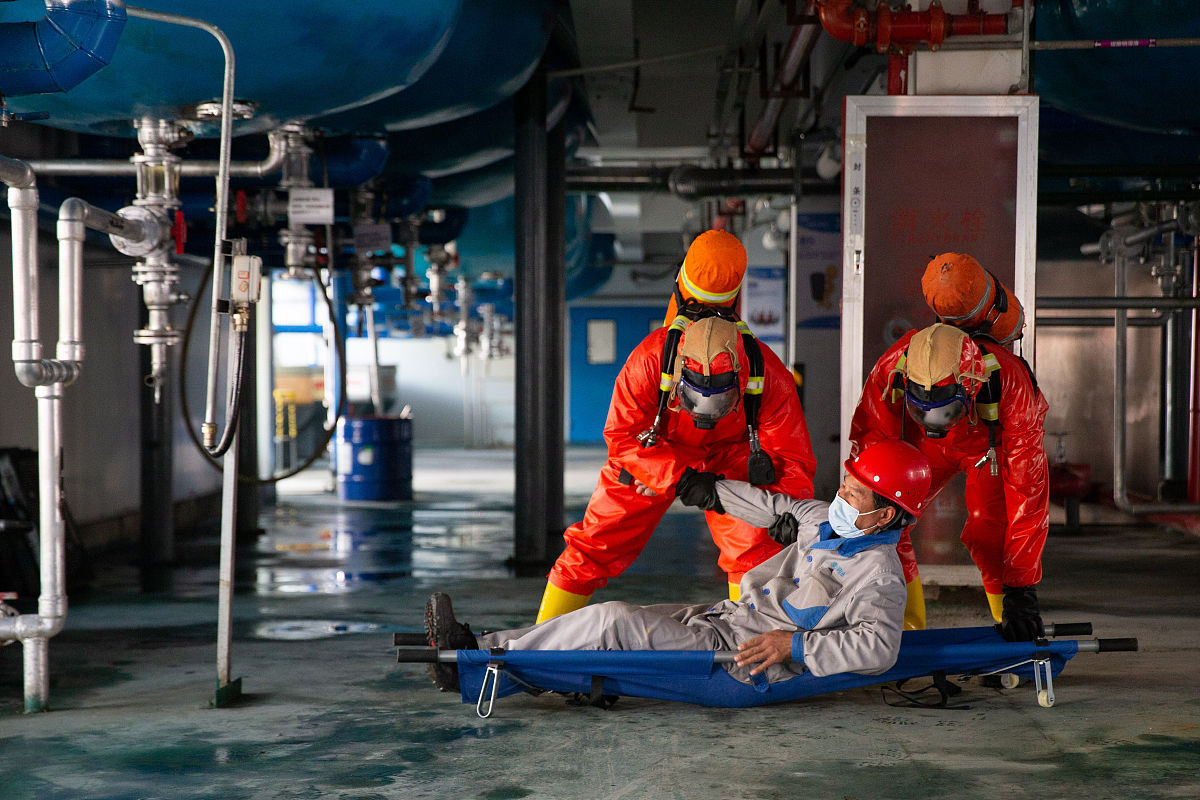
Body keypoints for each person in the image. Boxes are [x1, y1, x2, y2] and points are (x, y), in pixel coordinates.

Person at [425, 440, 934, 693]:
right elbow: (772, 507)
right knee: (606, 623)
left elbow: (879, 648)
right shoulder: (827, 520)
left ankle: (476, 669)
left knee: (614, 622)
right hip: (726, 620)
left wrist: (792, 645)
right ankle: (480, 649)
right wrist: (703, 488)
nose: (840, 495)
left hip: (744, 657)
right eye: (844, 484)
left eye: (854, 492)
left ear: (884, 513)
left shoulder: (879, 573)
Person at [536, 231, 817, 622]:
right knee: (597, 542)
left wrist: (791, 509)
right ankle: (541, 642)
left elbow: (788, 455)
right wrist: (681, 479)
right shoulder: (651, 361)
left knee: (754, 547)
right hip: (656, 451)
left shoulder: (768, 373)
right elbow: (623, 436)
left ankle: (748, 642)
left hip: (732, 453)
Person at [849, 319, 1049, 641]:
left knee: (990, 530)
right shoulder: (893, 369)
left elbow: (1027, 493)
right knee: (887, 521)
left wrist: (1022, 590)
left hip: (988, 444)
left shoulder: (1008, 380)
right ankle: (902, 630)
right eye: (923, 411)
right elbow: (872, 447)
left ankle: (1011, 624)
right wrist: (870, 505)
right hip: (926, 449)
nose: (935, 422)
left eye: (945, 411)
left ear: (970, 386)